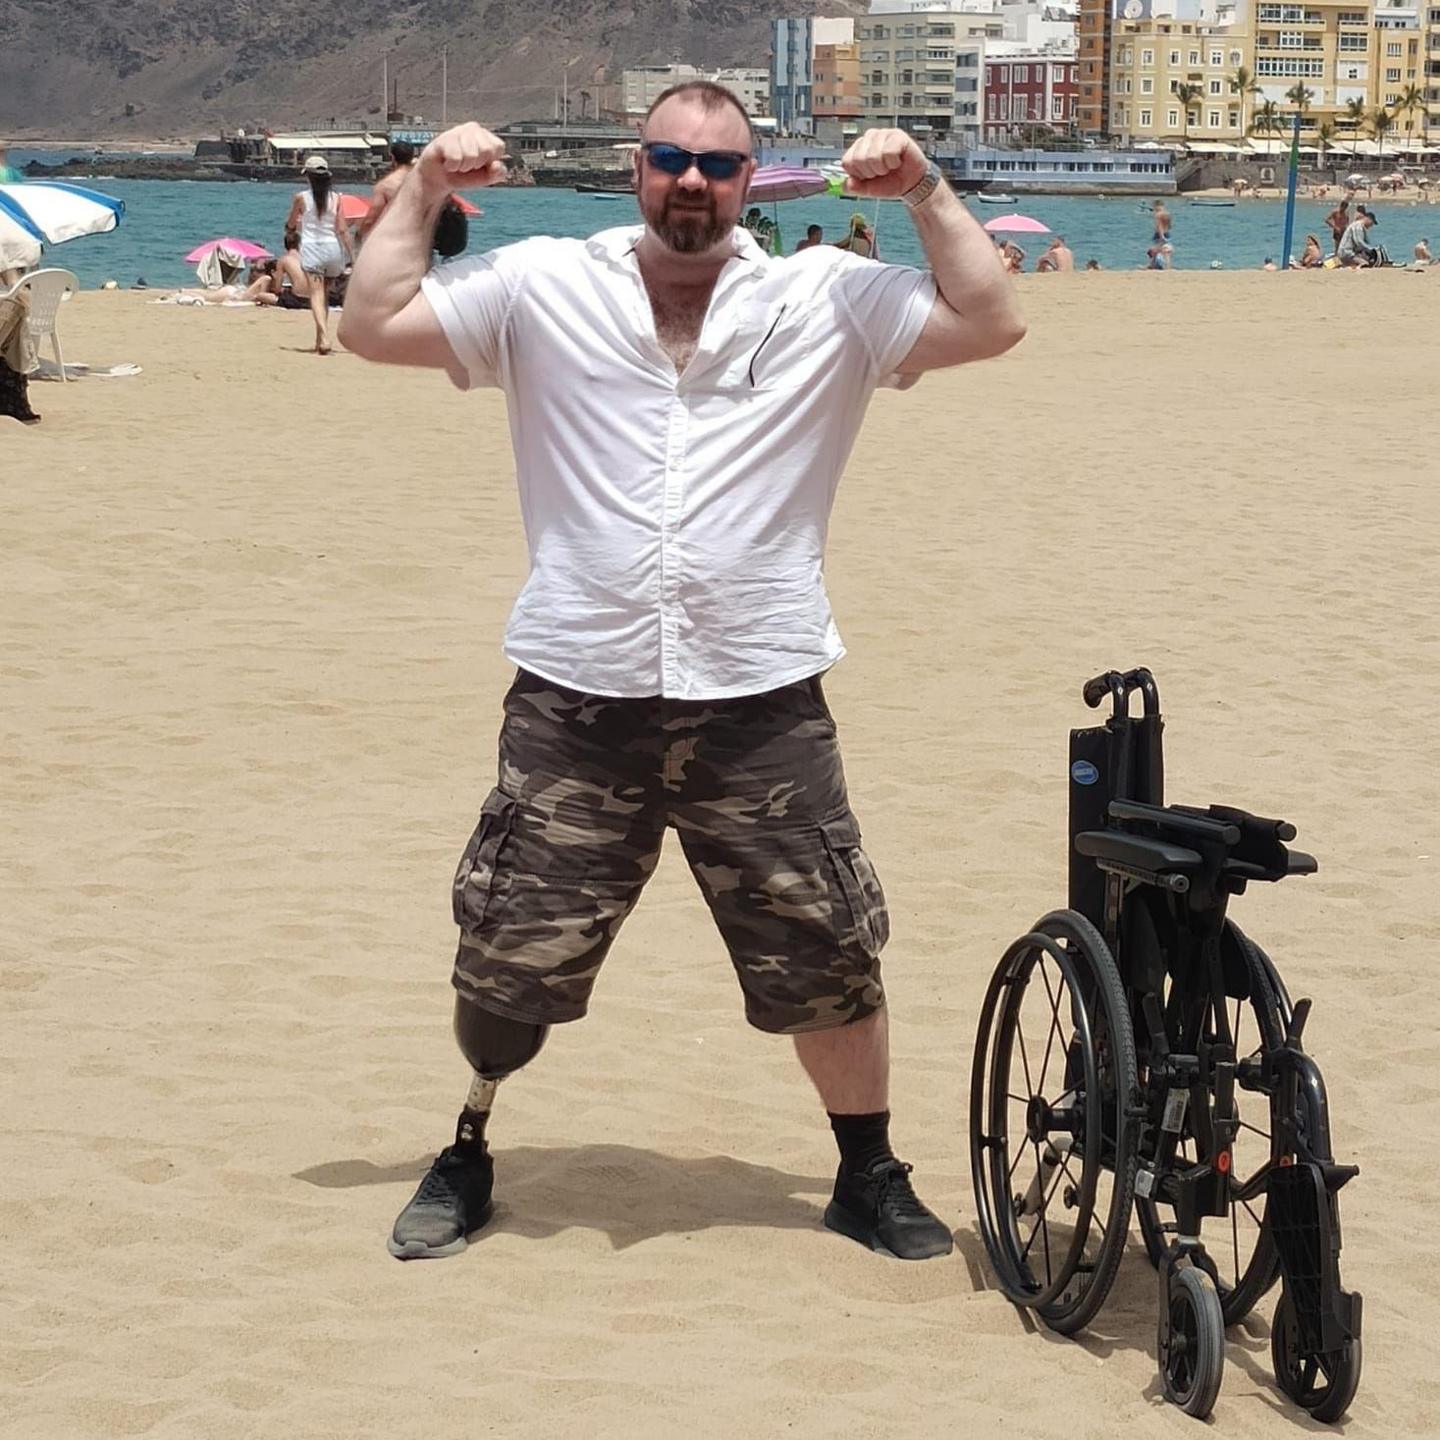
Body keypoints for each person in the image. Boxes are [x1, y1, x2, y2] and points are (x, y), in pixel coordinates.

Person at [339, 83, 1025, 1265]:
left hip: (759, 696)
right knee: (510, 954)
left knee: (826, 952)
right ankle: (470, 1142)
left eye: (716, 164)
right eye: (668, 159)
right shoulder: (543, 286)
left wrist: (919, 187)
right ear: (636, 170)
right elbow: (371, 319)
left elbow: (993, 317)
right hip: (576, 691)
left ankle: (868, 1172)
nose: (691, 182)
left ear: (752, 180)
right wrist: (429, 185)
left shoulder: (829, 298)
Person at [285, 155, 353, 353]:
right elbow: (342, 229)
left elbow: (291, 222)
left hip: (313, 249)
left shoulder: (301, 197)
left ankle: (323, 337)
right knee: (324, 295)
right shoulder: (336, 198)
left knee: (315, 295)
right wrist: (352, 256)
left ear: (308, 176)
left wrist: (290, 229)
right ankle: (318, 338)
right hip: (333, 250)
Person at [359, 140, 417, 243]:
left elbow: (371, 219)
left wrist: (359, 235)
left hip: (395, 237)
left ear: (392, 157)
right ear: (412, 157)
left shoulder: (386, 185)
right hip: (420, 238)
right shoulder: (424, 181)